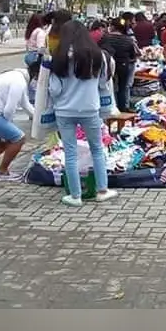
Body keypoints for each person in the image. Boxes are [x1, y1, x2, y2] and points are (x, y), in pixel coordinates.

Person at [48, 20, 119, 206]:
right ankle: (102, 190)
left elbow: (54, 90)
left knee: (70, 153)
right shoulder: (98, 56)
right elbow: (104, 85)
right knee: (97, 149)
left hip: (64, 111)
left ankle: (75, 196)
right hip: (90, 109)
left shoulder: (59, 57)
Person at [100, 17, 139, 111]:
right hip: (123, 66)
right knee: (122, 87)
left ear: (112, 27)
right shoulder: (128, 40)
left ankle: (111, 107)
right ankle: (122, 108)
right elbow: (133, 55)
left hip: (108, 66)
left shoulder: (105, 38)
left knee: (109, 86)